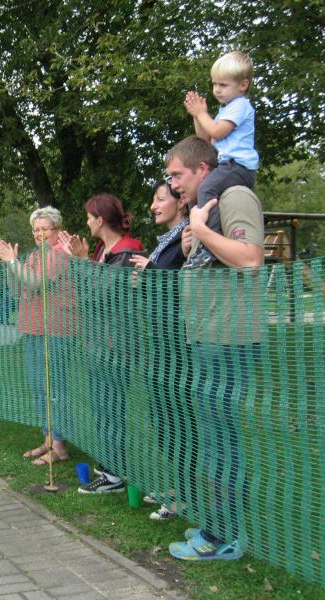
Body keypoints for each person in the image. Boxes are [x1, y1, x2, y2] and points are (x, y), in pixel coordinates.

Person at [164, 136, 264, 562]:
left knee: (222, 443)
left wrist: (202, 231)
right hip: (208, 340)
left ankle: (221, 536)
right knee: (212, 440)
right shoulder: (207, 206)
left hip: (228, 342)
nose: (172, 185)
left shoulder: (235, 196)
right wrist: (192, 248)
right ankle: (218, 523)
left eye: (177, 175)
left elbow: (250, 258)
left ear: (203, 169)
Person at [57, 194, 144, 493]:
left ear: (100, 219)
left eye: (89, 217)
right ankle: (109, 468)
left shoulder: (126, 252)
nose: (86, 222)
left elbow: (99, 298)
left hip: (115, 346)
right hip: (99, 344)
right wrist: (81, 262)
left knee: (111, 409)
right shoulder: (103, 251)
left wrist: (80, 262)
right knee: (102, 408)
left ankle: (113, 474)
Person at [0, 207, 77, 466]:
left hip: (55, 331)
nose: (39, 234)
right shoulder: (34, 256)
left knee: (54, 389)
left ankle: (59, 445)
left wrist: (13, 262)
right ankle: (48, 439)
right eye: (35, 230)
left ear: (57, 230)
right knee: (39, 387)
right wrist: (11, 265)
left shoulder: (59, 253)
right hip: (33, 329)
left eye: (44, 229)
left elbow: (37, 283)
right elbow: (17, 290)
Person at [130, 181, 192, 519]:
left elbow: (181, 285)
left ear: (180, 203)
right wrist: (144, 279)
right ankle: (177, 487)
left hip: (178, 344)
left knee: (179, 418)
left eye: (160, 199)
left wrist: (151, 272)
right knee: (163, 418)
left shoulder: (187, 238)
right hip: (159, 343)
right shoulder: (166, 242)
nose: (153, 206)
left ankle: (187, 495)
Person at [183, 51, 259, 269]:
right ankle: (205, 243)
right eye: (214, 84)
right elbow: (205, 139)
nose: (216, 89)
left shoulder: (241, 106)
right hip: (227, 165)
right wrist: (198, 115)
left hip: (239, 166)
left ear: (243, 85)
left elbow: (217, 131)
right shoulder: (226, 110)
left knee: (205, 190)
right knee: (203, 193)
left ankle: (208, 245)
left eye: (223, 85)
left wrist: (202, 114)